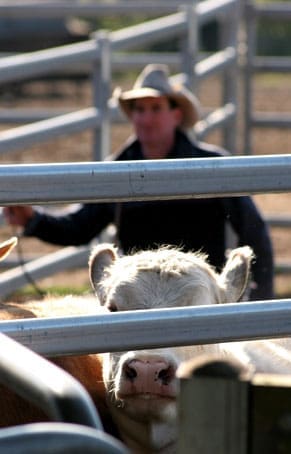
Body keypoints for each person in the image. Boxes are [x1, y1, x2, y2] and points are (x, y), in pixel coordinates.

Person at [3, 64, 274, 300]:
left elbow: (254, 231)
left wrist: (259, 299)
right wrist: (33, 218)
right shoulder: (119, 169)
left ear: (175, 114)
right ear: (131, 116)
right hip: (139, 295)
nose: (146, 118)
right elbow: (80, 226)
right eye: (139, 109)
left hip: (197, 294)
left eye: (155, 108)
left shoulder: (210, 165)